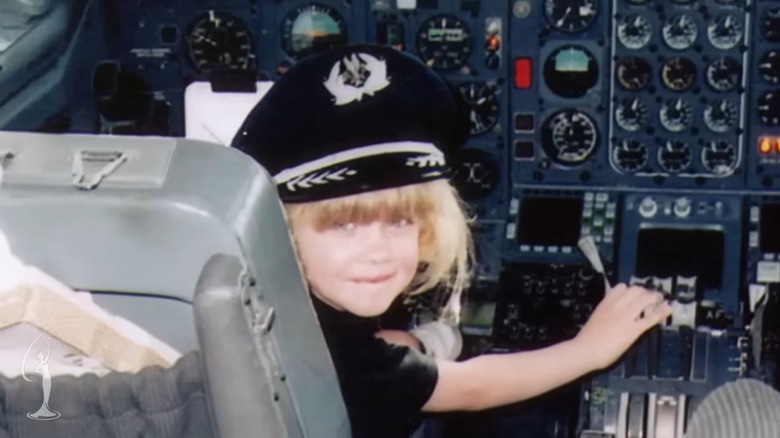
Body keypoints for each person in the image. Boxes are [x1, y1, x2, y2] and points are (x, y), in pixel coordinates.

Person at [232, 43, 673, 438]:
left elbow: (373, 356)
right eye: (345, 225)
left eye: (401, 221)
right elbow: (473, 388)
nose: (378, 250)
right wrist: (588, 349)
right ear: (281, 233)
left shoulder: (284, 316)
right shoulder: (345, 364)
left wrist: (425, 344)